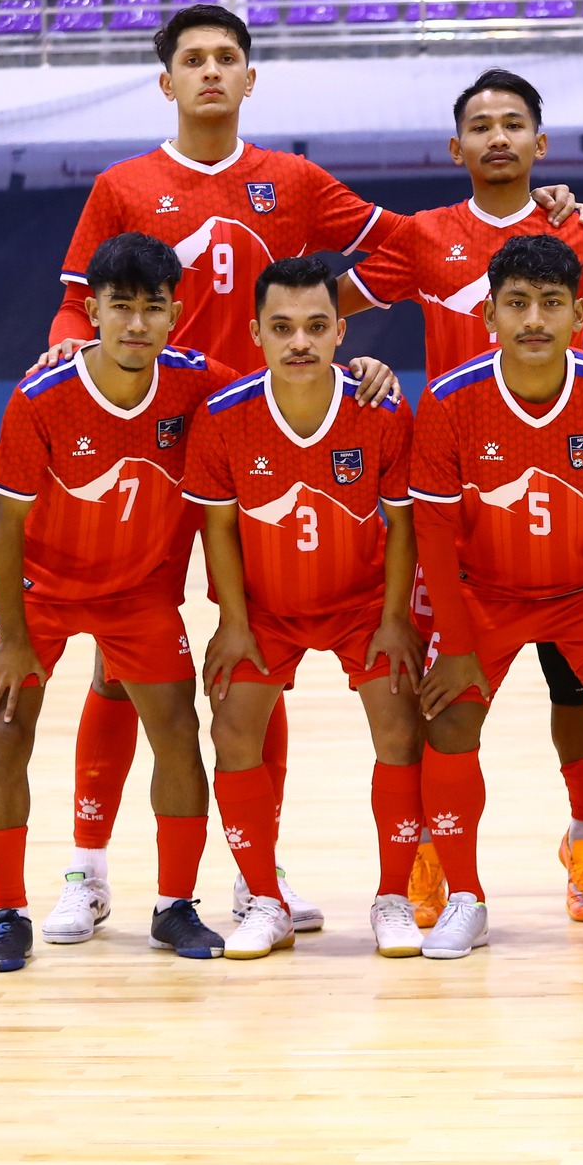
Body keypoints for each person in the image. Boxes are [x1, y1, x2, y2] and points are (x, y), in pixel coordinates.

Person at [31, 4, 578, 944]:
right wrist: (61, 352)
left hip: (277, 444)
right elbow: (81, 306)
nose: (211, 72)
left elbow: (421, 242)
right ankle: (87, 870)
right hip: (156, 442)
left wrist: (535, 212)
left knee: (259, 658)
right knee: (123, 665)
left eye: (227, 58)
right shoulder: (124, 185)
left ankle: (265, 874)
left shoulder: (294, 181)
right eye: (193, 60)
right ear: (166, 81)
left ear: (251, 79)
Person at [340, 67, 583, 929]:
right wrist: (343, 367)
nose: (498, 137)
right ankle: (438, 863)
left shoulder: (575, 231)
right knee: (439, 704)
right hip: (462, 506)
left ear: (540, 143)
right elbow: (314, 308)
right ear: (457, 147)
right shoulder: (423, 235)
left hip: (571, 508)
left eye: (513, 123)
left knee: (582, 700)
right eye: (481, 125)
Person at [0, 234, 234, 972]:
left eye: (154, 307)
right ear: (92, 311)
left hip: (137, 592)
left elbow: (281, 385)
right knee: (7, 731)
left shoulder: (198, 383)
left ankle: (175, 906)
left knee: (178, 732)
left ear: (175, 313)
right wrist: (13, 639)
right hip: (40, 589)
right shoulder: (42, 395)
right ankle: (6, 914)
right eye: (121, 306)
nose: (137, 323)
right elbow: (6, 524)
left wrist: (361, 371)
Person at [408, 234, 583, 958]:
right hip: (485, 592)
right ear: (488, 314)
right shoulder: (448, 399)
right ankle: (465, 897)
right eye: (517, 303)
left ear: (579, 315)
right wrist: (455, 643)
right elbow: (434, 532)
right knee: (449, 720)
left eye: (551, 303)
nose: (533, 319)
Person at [182, 258, 425, 960]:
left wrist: (395, 619)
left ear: (341, 332)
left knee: (400, 730)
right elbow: (218, 528)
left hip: (361, 604)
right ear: (255, 332)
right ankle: (265, 900)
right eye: (282, 327)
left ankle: (393, 898)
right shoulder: (224, 417)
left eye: (316, 326)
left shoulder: (379, 408)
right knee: (232, 731)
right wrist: (233, 622)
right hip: (266, 609)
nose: (299, 342)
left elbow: (403, 524)